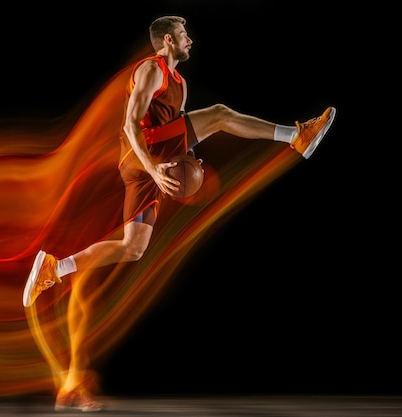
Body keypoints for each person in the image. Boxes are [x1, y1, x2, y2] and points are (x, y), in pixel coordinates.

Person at [23, 15, 336, 412]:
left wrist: (185, 160)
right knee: (221, 113)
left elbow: (176, 129)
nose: (191, 40)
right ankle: (297, 137)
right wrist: (155, 166)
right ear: (168, 40)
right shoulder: (152, 70)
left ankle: (55, 268)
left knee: (133, 247)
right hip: (143, 154)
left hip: (150, 163)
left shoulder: (181, 84)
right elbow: (130, 125)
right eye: (185, 35)